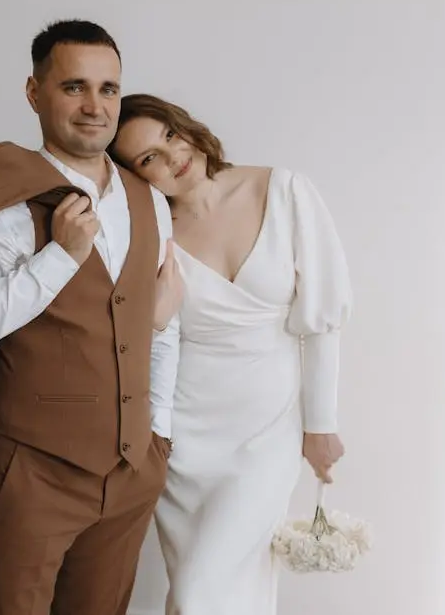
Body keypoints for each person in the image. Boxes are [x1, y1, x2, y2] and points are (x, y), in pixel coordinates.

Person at [0, 23, 184, 614]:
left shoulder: (149, 200)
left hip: (132, 470)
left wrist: (158, 432)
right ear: (34, 92)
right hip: (33, 474)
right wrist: (58, 259)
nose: (94, 106)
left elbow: (161, 322)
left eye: (108, 89)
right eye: (74, 86)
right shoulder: (1, 200)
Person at [107, 93, 353, 614]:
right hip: (186, 437)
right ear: (135, 176)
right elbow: (150, 337)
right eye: (149, 158)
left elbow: (324, 321)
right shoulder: (150, 232)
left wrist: (320, 424)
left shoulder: (284, 191)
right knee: (218, 591)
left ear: (186, 127)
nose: (173, 157)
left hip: (267, 432)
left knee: (201, 593)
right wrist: (155, 432)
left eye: (169, 135)